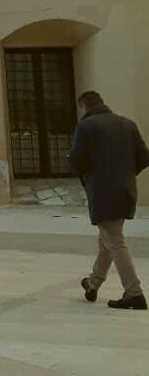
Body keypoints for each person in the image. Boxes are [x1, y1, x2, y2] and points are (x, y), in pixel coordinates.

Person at [69, 89, 149, 310]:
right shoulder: (127, 124)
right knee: (108, 239)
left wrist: (92, 176)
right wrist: (124, 174)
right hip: (126, 190)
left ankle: (134, 293)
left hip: (103, 192)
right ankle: (93, 283)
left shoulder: (86, 126)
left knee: (115, 241)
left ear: (84, 106)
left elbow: (76, 161)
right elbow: (144, 157)